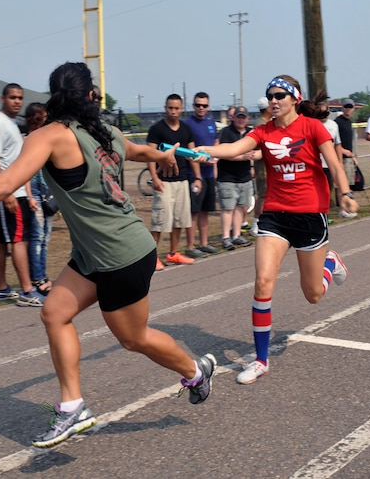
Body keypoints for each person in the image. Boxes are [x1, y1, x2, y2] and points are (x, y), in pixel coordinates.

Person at [0, 62, 217, 448]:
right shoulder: (104, 132)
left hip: (122, 254)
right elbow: (140, 150)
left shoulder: (51, 135)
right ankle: (73, 408)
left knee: (133, 338)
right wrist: (163, 155)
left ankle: (196, 370)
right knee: (54, 313)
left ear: (54, 95)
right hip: (94, 253)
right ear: (90, 95)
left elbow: (5, 182)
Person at [195, 75, 358, 385]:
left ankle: (330, 263)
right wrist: (204, 150)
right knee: (262, 283)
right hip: (275, 217)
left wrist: (345, 193)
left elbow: (334, 164)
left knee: (312, 295)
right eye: (270, 95)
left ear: (294, 98)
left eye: (280, 95)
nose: (273, 100)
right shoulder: (263, 131)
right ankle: (260, 360)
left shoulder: (312, 127)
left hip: (310, 216)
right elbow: (232, 148)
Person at [0, 83, 44, 306]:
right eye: (12, 97)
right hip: (9, 192)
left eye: (20, 97)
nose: (17, 101)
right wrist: (7, 191)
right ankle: (27, 291)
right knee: (20, 241)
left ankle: (2, 289)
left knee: (0, 240)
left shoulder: (10, 123)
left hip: (15, 191)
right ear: (3, 98)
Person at [146, 94, 202, 266]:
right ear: (165, 107)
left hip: (182, 181)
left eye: (177, 108)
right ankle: (151, 258)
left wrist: (198, 177)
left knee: (179, 220)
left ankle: (173, 253)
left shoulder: (186, 129)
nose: (173, 111)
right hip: (164, 182)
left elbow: (193, 156)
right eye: (170, 108)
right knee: (160, 221)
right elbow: (150, 156)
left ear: (181, 108)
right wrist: (154, 177)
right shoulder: (157, 129)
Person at [183, 92, 220, 257]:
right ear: (193, 106)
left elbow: (216, 142)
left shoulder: (211, 122)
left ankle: (204, 243)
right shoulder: (188, 124)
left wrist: (215, 161)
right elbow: (188, 151)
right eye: (198, 105)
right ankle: (190, 246)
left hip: (209, 173)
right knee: (194, 211)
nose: (201, 108)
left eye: (204, 105)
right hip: (194, 174)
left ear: (208, 106)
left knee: (206, 210)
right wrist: (204, 160)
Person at [217, 106, 257, 250]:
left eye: (243, 117)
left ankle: (236, 235)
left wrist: (251, 166)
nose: (241, 120)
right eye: (238, 117)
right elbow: (225, 153)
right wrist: (242, 157)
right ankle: (226, 237)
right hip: (227, 176)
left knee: (241, 206)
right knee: (228, 208)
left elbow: (254, 153)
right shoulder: (226, 132)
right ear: (233, 118)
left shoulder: (250, 133)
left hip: (244, 176)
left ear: (247, 119)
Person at [25, 102, 54, 297]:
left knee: (46, 237)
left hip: (48, 189)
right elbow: (25, 170)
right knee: (37, 236)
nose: (42, 120)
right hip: (34, 188)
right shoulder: (29, 139)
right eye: (39, 117)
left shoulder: (47, 138)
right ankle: (37, 277)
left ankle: (42, 275)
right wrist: (28, 195)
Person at [318, 99, 344, 208]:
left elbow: (338, 144)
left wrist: (340, 162)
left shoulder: (333, 125)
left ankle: (326, 211)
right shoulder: (313, 124)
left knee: (328, 189)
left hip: (328, 164)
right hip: (317, 164)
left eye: (325, 112)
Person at [251, 97, 271, 234]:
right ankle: (256, 222)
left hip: (268, 163)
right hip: (262, 165)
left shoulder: (267, 122)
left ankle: (265, 220)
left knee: (268, 194)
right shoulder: (261, 124)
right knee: (263, 194)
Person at [334, 98, 358, 202]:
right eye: (346, 107)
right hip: (340, 157)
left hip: (349, 158)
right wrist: (343, 151)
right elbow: (333, 141)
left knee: (349, 183)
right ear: (342, 108)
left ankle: (348, 204)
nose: (348, 109)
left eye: (350, 107)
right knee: (341, 184)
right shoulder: (337, 122)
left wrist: (353, 157)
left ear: (353, 109)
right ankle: (342, 206)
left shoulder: (349, 122)